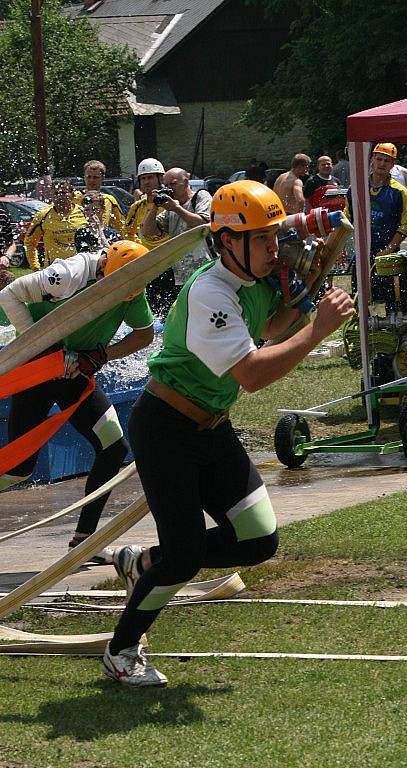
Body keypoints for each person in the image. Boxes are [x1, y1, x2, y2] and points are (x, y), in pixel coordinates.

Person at [102, 180, 354, 686]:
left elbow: (269, 327)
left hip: (210, 426)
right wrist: (318, 328)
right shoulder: (208, 292)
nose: (272, 248)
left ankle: (144, 563)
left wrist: (309, 293)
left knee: (259, 539)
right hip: (167, 427)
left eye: (273, 236)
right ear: (226, 242)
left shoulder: (254, 282)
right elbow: (253, 374)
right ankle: (121, 649)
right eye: (260, 239)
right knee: (186, 556)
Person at [0, 241, 154, 563]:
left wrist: (102, 356)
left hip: (75, 376)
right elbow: (7, 295)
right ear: (104, 273)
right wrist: (43, 350)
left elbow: (144, 335)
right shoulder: (67, 274)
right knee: (18, 470)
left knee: (115, 449)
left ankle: (84, 543)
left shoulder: (131, 285)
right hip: (37, 373)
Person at [141, 167, 212, 315]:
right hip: (181, 276)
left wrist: (177, 208)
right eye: (165, 186)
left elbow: (203, 224)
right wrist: (155, 206)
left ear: (185, 182)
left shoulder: (201, 196)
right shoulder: (170, 210)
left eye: (172, 184)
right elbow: (147, 232)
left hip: (206, 271)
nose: (169, 189)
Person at [344, 142, 407, 280]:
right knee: (359, 295)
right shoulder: (357, 188)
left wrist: (387, 250)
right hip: (362, 252)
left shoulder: (400, 192)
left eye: (387, 161)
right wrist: (340, 249)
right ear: (372, 160)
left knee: (389, 296)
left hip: (388, 253)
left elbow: (406, 225)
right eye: (379, 159)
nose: (382, 164)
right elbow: (346, 218)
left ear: (393, 164)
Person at [24, 180, 87, 270]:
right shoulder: (43, 215)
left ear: (72, 195)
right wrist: (35, 267)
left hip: (82, 269)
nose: (59, 197)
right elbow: (29, 243)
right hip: (54, 271)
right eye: (56, 193)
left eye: (63, 193)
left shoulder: (84, 213)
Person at [123, 158, 168, 247]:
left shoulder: (170, 203)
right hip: (148, 256)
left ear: (160, 178)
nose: (146, 182)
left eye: (150, 177)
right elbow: (127, 233)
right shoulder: (137, 207)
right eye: (143, 178)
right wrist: (138, 248)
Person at [74, 160, 124, 233]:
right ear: (84, 177)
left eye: (95, 177)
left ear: (103, 178)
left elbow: (121, 227)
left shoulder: (109, 200)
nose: (91, 180)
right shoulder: (74, 197)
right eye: (89, 177)